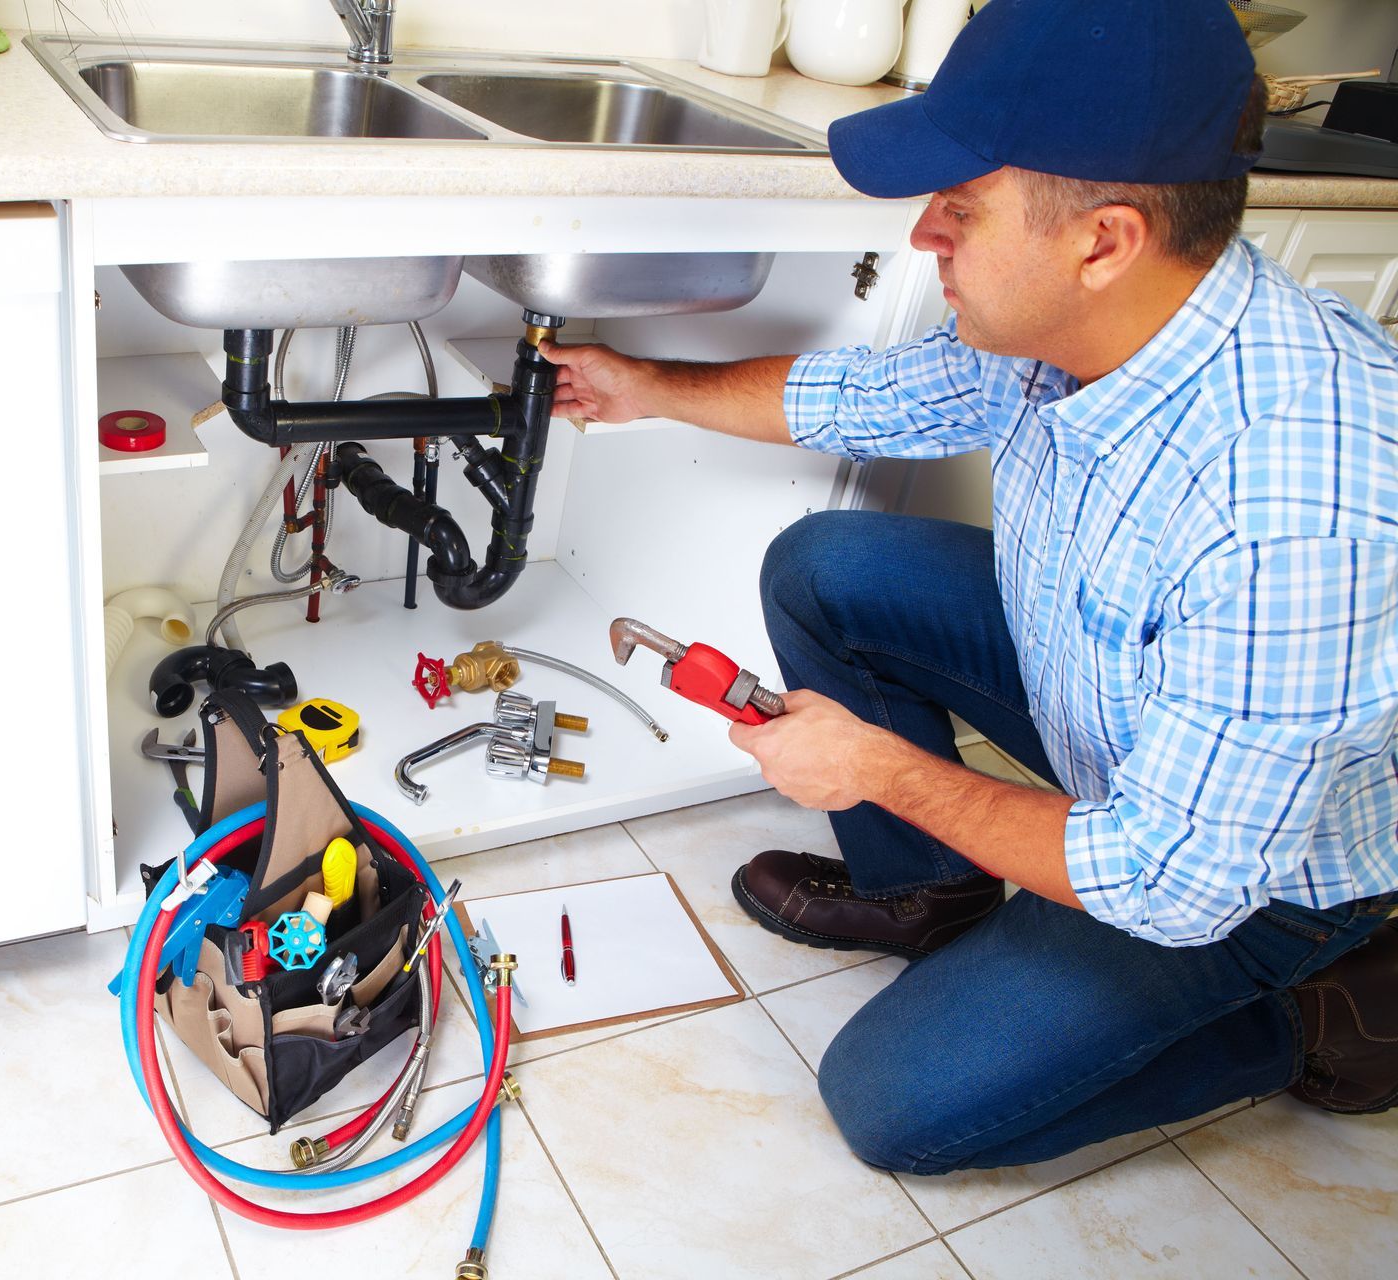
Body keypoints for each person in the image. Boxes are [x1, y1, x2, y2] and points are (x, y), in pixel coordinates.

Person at [542, 0, 1398, 1173]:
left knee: (893, 1102)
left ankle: (1317, 1013)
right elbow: (862, 398)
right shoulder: (1073, 322)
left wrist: (879, 767)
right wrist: (640, 383)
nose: (924, 235)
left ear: (1103, 240)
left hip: (1250, 880)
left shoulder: (1296, 509)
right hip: (1111, 723)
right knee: (826, 568)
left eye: (964, 207)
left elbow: (1170, 879)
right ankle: (931, 891)